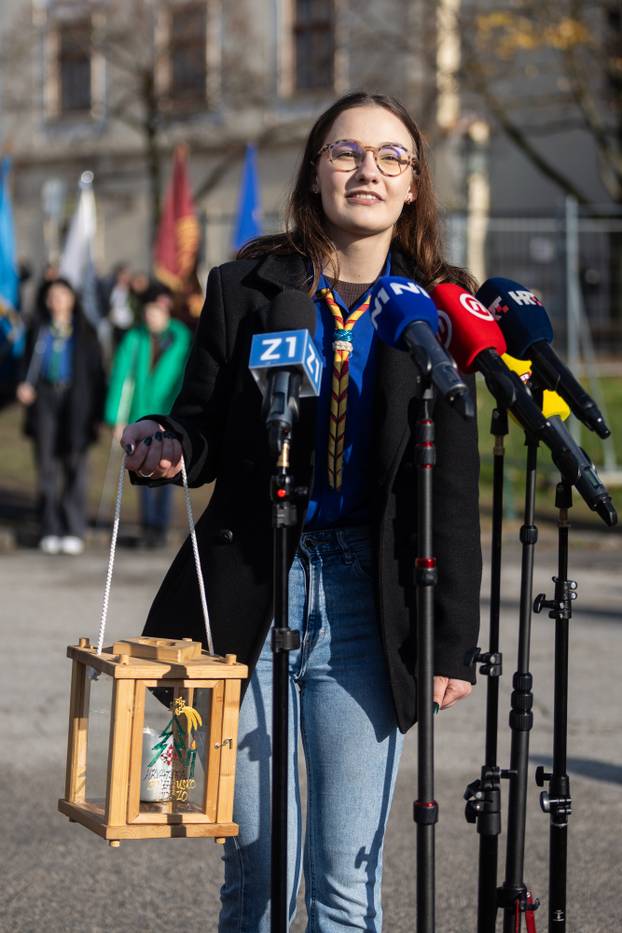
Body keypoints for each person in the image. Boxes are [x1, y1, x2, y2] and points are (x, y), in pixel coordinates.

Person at [121, 92, 482, 931]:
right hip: (246, 588)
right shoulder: (246, 285)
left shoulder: (436, 313)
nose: (367, 169)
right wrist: (169, 441)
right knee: (256, 868)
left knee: (343, 881)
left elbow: (453, 495)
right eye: (347, 151)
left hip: (368, 601)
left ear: (413, 184)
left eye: (390, 157)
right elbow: (203, 421)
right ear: (316, 169)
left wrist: (450, 638)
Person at [17, 277, 105, 554]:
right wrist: (23, 385)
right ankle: (50, 526)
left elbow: (97, 374)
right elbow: (25, 365)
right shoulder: (39, 329)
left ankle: (73, 527)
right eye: (52, 296)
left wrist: (97, 412)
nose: (57, 300)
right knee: (46, 465)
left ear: (73, 299)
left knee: (75, 465)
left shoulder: (85, 331)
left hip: (75, 402)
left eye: (63, 295)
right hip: (45, 398)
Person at [105, 283, 191, 546]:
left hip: (168, 416)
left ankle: (161, 527)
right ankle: (147, 527)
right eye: (148, 311)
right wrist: (116, 418)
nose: (151, 316)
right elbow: (122, 376)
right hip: (140, 415)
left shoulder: (182, 339)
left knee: (167, 468)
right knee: (141, 469)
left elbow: (187, 377)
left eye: (156, 310)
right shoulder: (135, 338)